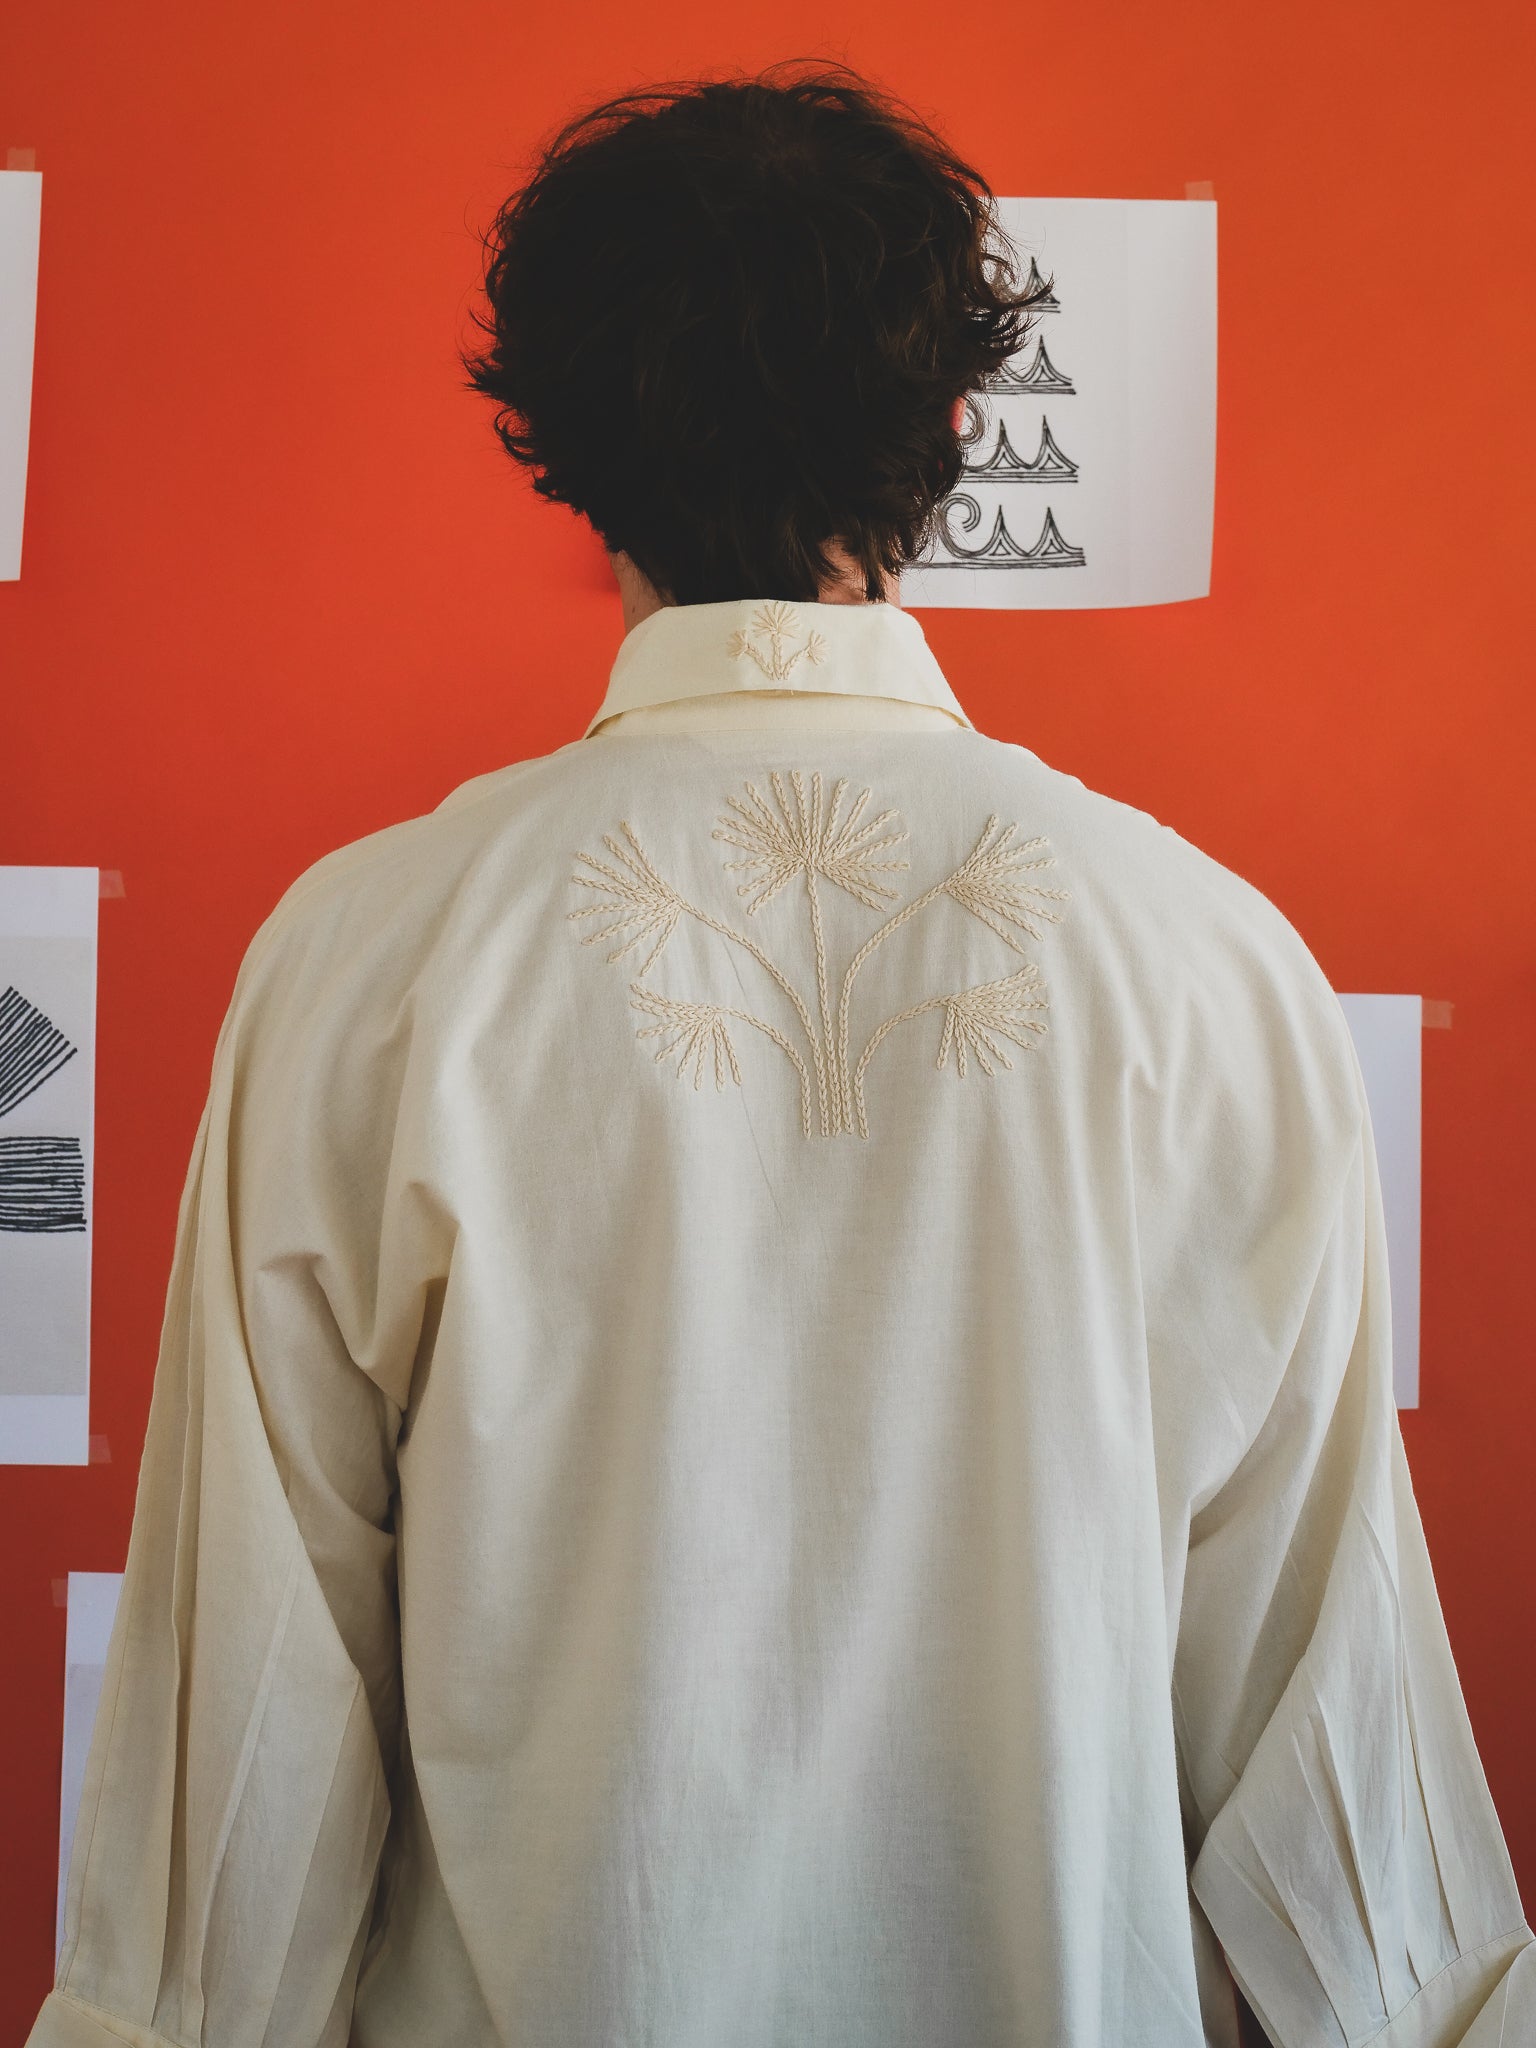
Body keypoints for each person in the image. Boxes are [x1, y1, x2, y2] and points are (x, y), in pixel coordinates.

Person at [27, 61, 1533, 2048]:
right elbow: (1334, 1764)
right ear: (955, 431)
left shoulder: (365, 962)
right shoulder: (1212, 965)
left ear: (556, 451)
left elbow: (240, 1785)